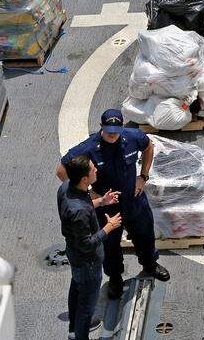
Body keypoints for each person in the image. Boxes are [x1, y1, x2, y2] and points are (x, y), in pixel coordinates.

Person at [57, 109, 170, 300]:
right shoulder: (89, 148)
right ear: (101, 127)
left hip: (134, 201)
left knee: (145, 236)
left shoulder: (133, 137)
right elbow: (61, 170)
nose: (112, 135)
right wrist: (89, 192)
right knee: (110, 246)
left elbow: (148, 147)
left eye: (116, 131)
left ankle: (150, 265)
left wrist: (143, 176)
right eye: (108, 131)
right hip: (107, 207)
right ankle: (115, 277)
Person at [58, 156, 122, 340]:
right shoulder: (79, 211)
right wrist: (108, 227)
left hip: (74, 256)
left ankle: (73, 330)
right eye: (93, 169)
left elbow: (83, 206)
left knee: (76, 290)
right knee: (86, 309)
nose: (96, 171)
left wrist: (102, 201)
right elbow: (87, 244)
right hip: (88, 263)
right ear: (85, 179)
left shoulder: (66, 188)